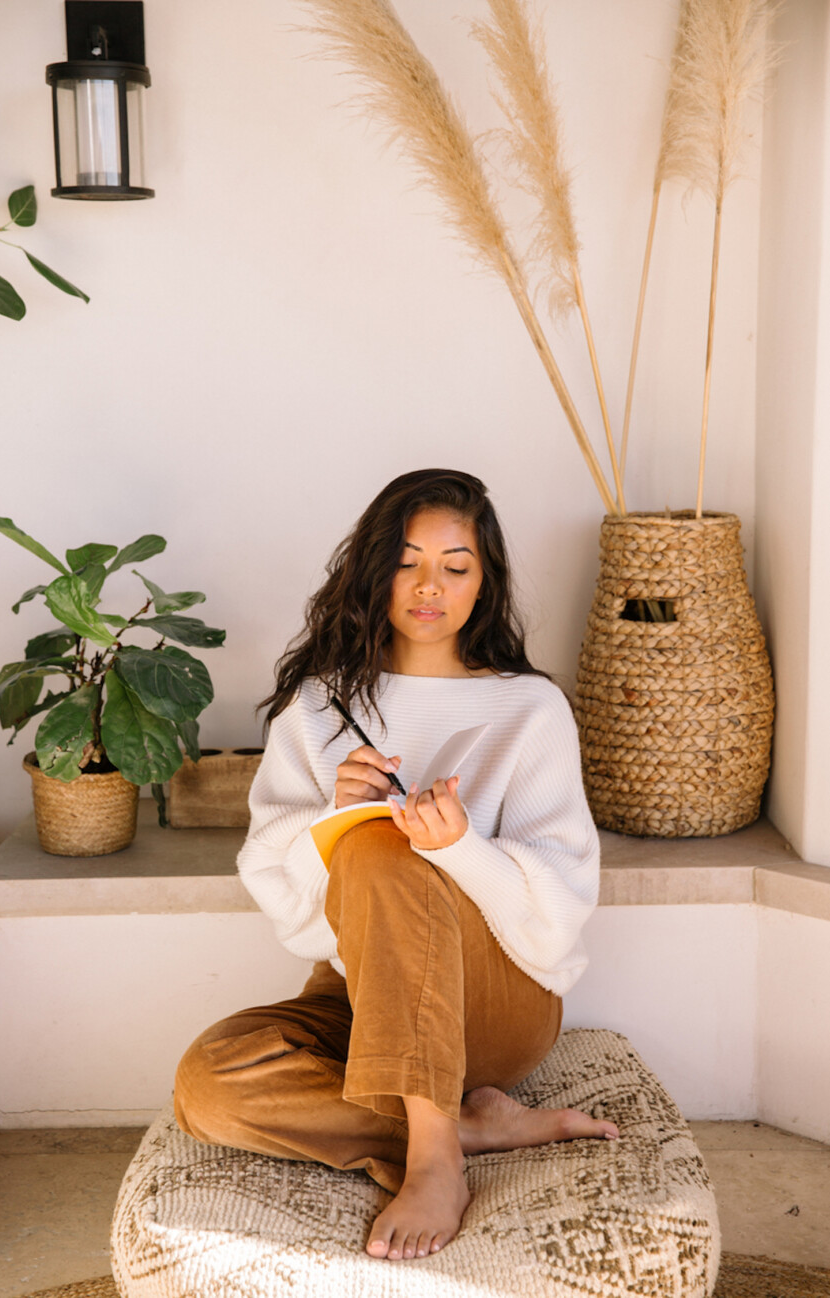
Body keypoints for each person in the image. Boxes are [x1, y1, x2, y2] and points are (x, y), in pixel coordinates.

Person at [174, 468, 618, 1263]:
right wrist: (331, 823)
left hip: (496, 995)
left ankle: (434, 1161)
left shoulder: (530, 708)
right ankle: (465, 1122)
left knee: (387, 845)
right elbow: (287, 904)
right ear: (374, 571)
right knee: (205, 1087)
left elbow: (559, 906)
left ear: (484, 585)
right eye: (408, 562)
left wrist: (457, 850)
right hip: (358, 990)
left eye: (455, 567)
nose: (427, 586)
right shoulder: (318, 705)